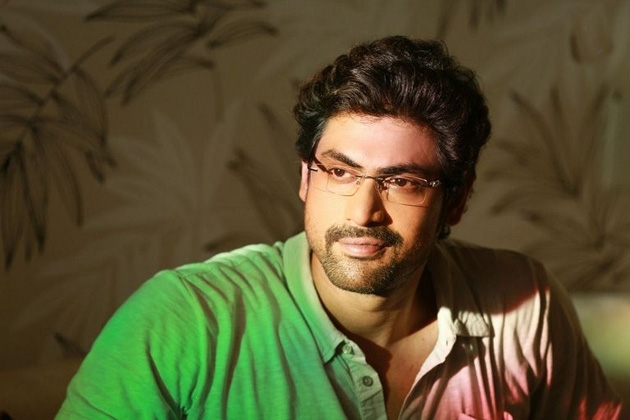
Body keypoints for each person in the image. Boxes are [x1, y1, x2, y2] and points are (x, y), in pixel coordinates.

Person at [56, 36, 623, 419]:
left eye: (402, 181)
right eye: (341, 172)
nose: (362, 212)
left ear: (456, 200)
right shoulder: (185, 320)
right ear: (306, 177)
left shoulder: (526, 308)